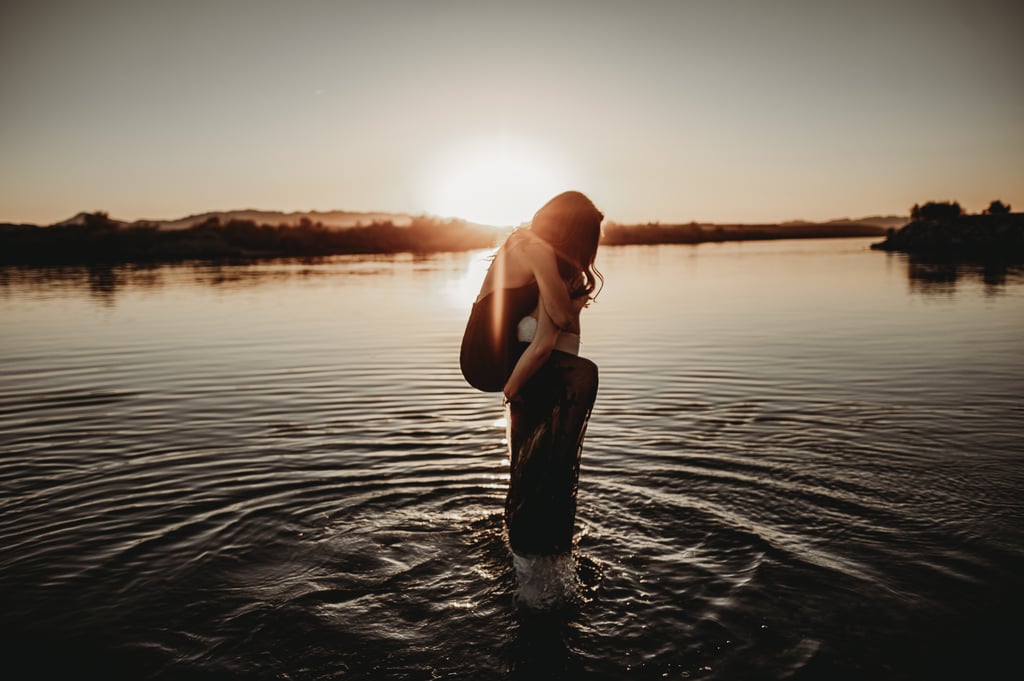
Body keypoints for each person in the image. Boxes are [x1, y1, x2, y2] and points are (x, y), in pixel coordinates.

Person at [459, 190, 603, 556]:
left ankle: (527, 514)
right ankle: (547, 505)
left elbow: (548, 327)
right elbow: (560, 315)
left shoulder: (523, 241)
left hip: (490, 352)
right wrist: (577, 300)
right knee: (581, 373)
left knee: (558, 360)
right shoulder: (536, 249)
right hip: (488, 358)